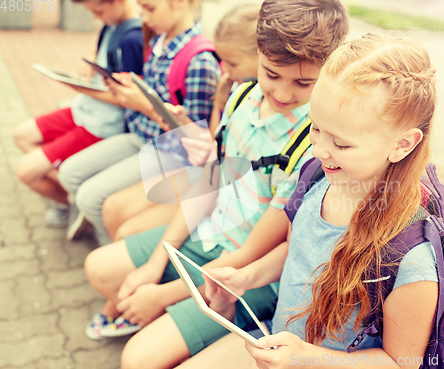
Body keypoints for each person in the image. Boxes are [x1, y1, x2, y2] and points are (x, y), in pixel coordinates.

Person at [83, 2, 349, 368]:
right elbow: (209, 184)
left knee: (138, 359)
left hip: (248, 273)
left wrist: (162, 294)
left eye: (304, 83)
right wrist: (158, 261)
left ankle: (181, 321)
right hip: (207, 236)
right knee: (99, 268)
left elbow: (257, 250)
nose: (284, 93)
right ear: (257, 52)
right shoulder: (240, 97)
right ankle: (176, 316)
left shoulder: (314, 141)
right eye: (272, 74)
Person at [179, 33, 439, 369]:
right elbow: (299, 249)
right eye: (316, 128)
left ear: (403, 144)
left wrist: (306, 358)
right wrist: (248, 278)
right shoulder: (316, 175)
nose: (318, 150)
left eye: (342, 144)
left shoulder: (413, 256)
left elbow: (400, 362)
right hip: (277, 350)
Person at [57, 0, 220, 245]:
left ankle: (115, 250)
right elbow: (155, 94)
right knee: (70, 174)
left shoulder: (200, 61)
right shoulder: (157, 41)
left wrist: (140, 102)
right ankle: (110, 244)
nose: (143, 17)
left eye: (150, 9)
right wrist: (132, 88)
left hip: (170, 152)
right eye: (142, 9)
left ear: (179, 3)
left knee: (91, 198)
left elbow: (195, 139)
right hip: (141, 135)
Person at [101, 2, 261, 242]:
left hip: (210, 181)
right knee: (113, 209)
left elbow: (216, 162)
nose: (223, 70)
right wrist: (183, 124)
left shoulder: (205, 64)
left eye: (232, 63)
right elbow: (211, 141)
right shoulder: (229, 84)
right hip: (202, 170)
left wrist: (145, 106)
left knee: (125, 228)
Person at [13, 0, 143, 228]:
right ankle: (72, 191)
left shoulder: (133, 38)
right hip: (84, 109)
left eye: (98, 11)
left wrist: (80, 88)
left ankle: (70, 200)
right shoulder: (111, 24)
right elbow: (104, 62)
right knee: (22, 135)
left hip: (102, 123)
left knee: (27, 170)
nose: (95, 17)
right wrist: (89, 67)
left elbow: (129, 98)